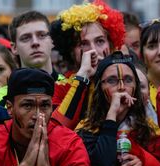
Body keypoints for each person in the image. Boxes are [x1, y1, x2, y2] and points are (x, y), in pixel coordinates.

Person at [76, 51, 160, 166]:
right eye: (112, 80)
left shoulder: (150, 128)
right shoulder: (86, 128)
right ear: (99, 90)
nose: (122, 87)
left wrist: (144, 163)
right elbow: (103, 165)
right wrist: (112, 114)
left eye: (128, 80)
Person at [50, 0, 125, 129]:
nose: (93, 50)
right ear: (72, 51)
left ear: (111, 44)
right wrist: (82, 77)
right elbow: (57, 128)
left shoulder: (126, 80)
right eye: (83, 44)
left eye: (100, 41)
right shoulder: (61, 87)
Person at [9, 11, 61, 81]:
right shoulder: (4, 92)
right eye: (26, 38)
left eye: (42, 35)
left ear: (52, 41)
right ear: (14, 48)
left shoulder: (71, 87)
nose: (35, 42)